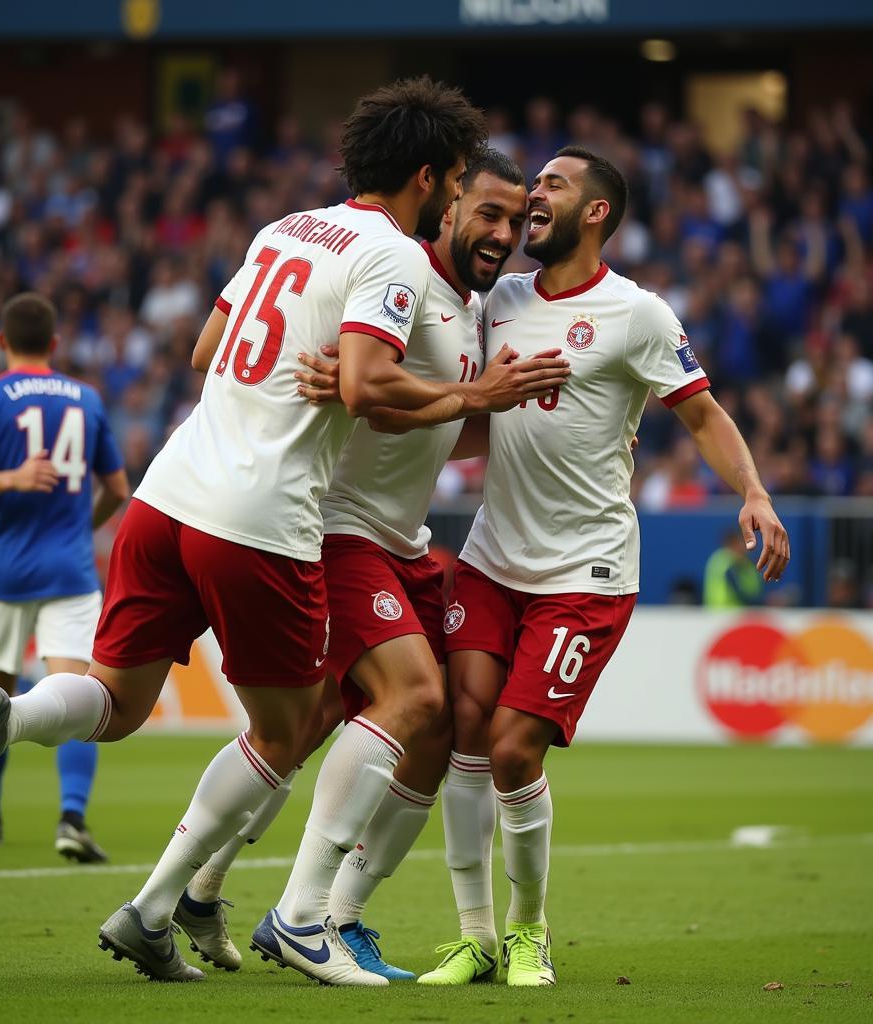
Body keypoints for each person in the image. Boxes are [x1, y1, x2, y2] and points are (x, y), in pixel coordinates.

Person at [0, 79, 553, 987]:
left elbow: (209, 350)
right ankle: (254, 914)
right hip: (264, 516)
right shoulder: (396, 258)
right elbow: (368, 387)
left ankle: (11, 718)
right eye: (457, 184)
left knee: (116, 701)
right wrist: (462, 392)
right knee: (291, 731)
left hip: (169, 494)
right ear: (427, 177)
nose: (457, 203)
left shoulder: (283, 228)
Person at [377, 146, 789, 987]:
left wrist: (754, 491)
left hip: (587, 569)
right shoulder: (501, 302)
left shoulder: (637, 314)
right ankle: (475, 936)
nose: (533, 196)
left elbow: (703, 414)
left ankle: (529, 931)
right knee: (464, 727)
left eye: (553, 187)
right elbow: (472, 410)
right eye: (535, 185)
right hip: (495, 555)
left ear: (596, 212)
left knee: (515, 751)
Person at [173, 149, 563, 980]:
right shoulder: (399, 275)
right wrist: (355, 382)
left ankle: (236, 895)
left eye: (513, 218)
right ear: (448, 205)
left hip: (404, 542)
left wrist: (555, 427)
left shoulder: (471, 306)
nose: (500, 232)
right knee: (408, 700)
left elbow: (442, 423)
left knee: (402, 725)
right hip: (338, 529)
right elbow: (370, 391)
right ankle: (304, 914)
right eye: (484, 212)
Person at [0, 292, 129, 859]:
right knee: (84, 694)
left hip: (2, 571)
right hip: (70, 569)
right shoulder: (87, 398)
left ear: (1, 342)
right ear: (55, 344)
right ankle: (72, 821)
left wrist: (10, 479)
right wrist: (82, 530)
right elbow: (118, 490)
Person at [702, 527, 764, 607]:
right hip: (722, 613)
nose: (745, 547)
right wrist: (764, 602)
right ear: (732, 543)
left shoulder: (747, 564)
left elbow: (756, 590)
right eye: (742, 543)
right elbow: (742, 595)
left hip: (742, 614)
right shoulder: (724, 562)